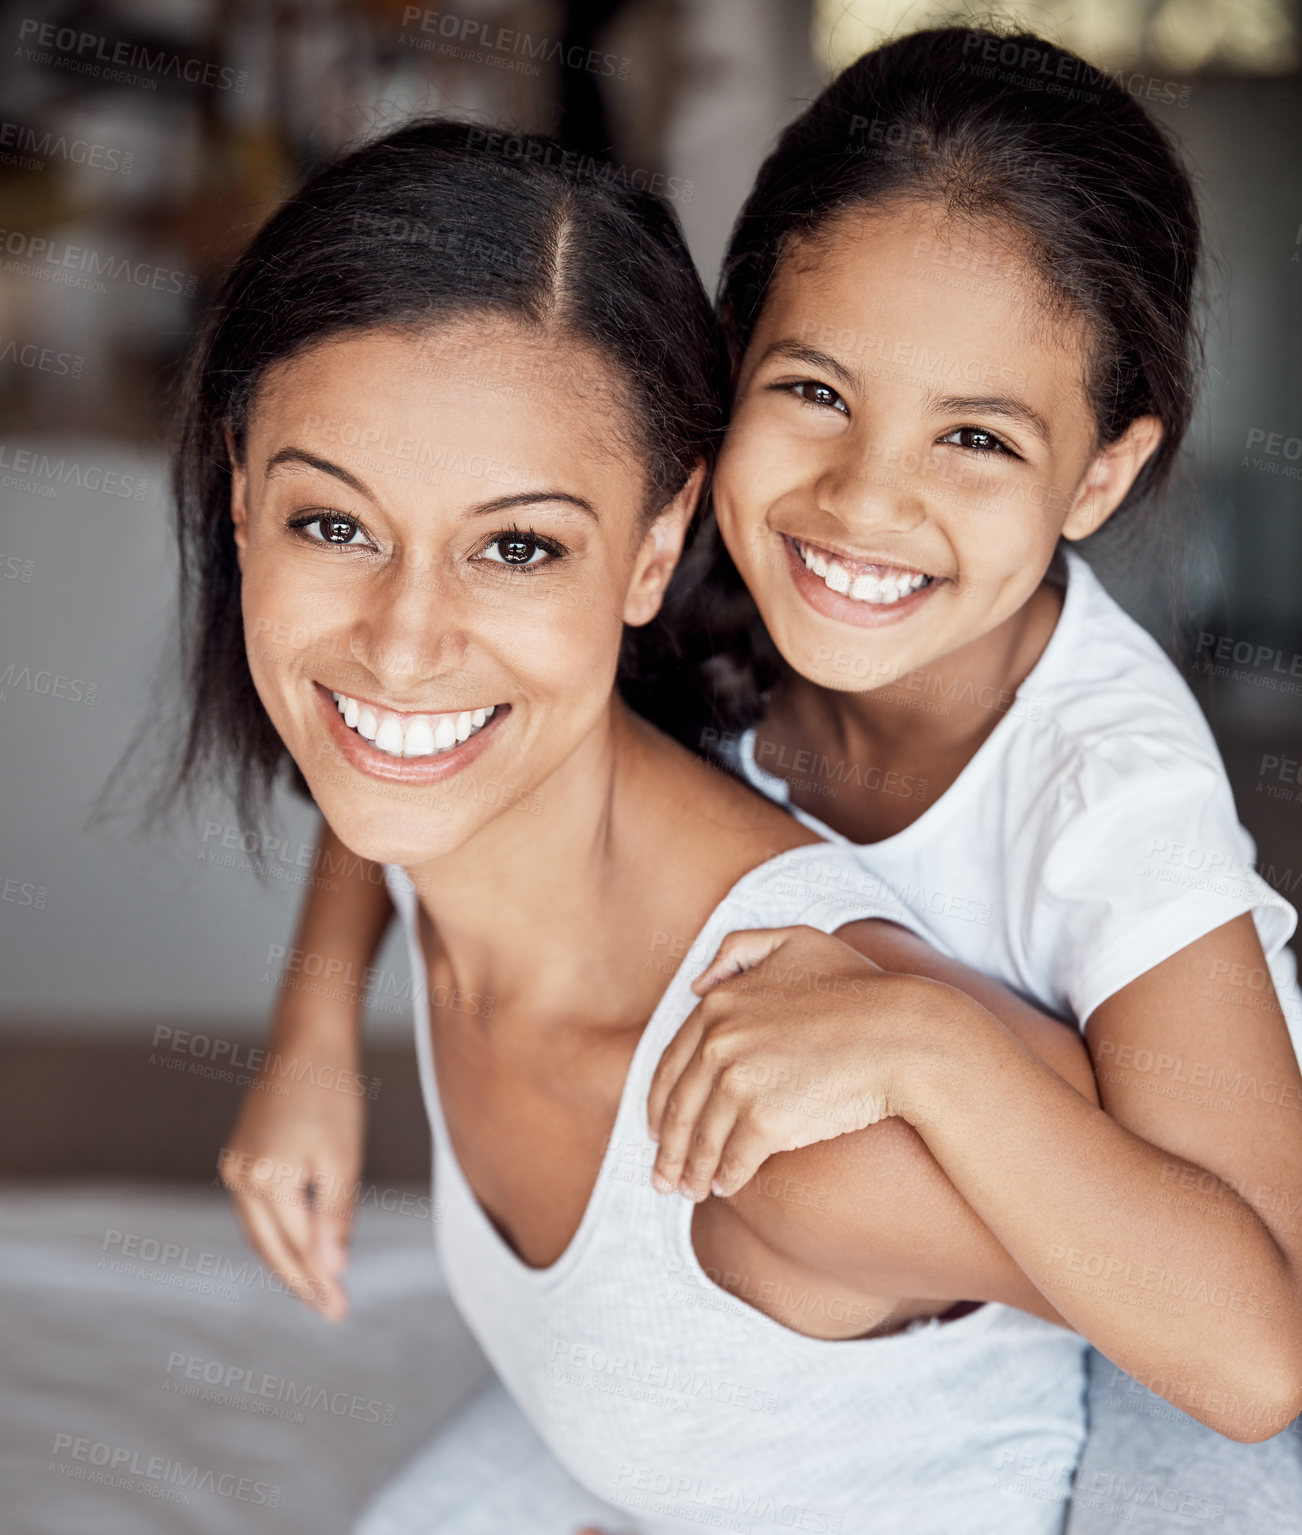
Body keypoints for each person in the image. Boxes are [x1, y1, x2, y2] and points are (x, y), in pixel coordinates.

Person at [187, 118, 1106, 1535]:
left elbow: (1247, 1333)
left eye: (517, 546)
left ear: (656, 550)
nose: (405, 643)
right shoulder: (469, 797)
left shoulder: (803, 1138)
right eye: (334, 526)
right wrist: (311, 1037)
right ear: (242, 496)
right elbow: (379, 774)